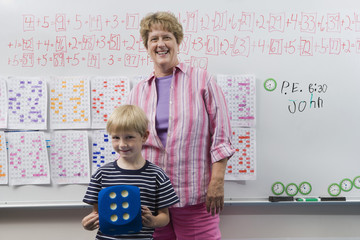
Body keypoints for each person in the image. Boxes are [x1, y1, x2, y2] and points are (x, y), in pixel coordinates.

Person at [126, 11, 235, 240]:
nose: (160, 44)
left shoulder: (202, 80)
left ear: (178, 41)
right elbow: (129, 143)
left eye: (167, 37)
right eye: (153, 39)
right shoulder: (138, 91)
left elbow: (221, 138)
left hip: (195, 195)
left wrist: (217, 182)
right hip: (152, 199)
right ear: (147, 46)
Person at [82, 105, 179, 240]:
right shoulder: (102, 174)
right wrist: (87, 224)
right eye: (116, 137)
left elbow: (165, 216)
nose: (122, 144)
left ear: (144, 136)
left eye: (129, 137)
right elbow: (96, 214)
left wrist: (154, 221)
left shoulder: (157, 175)